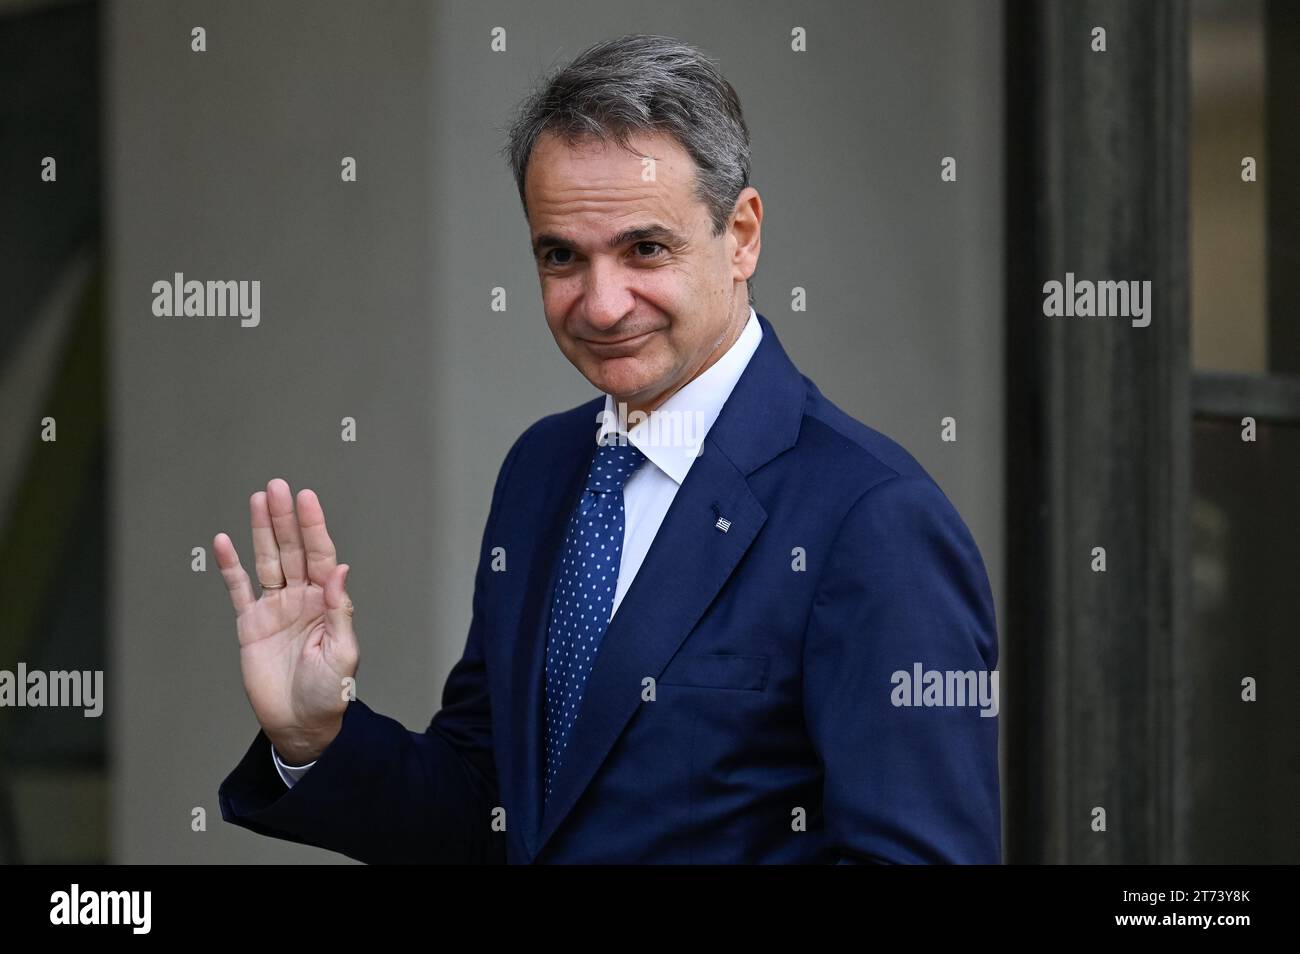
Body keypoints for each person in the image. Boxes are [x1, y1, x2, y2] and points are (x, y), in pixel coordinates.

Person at [215, 33, 1000, 864]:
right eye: (562, 257)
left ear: (742, 236)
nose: (601, 303)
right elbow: (493, 810)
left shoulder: (872, 520)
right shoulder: (542, 471)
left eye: (644, 249)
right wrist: (314, 735)